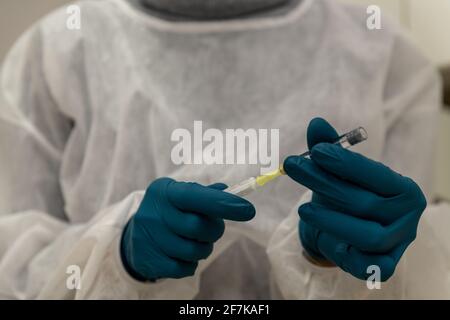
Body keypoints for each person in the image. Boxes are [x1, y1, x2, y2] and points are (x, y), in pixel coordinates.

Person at [0, 0, 448, 299]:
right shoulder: (57, 52)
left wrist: (328, 260)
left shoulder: (385, 55)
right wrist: (120, 252)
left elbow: (406, 272)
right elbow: (13, 269)